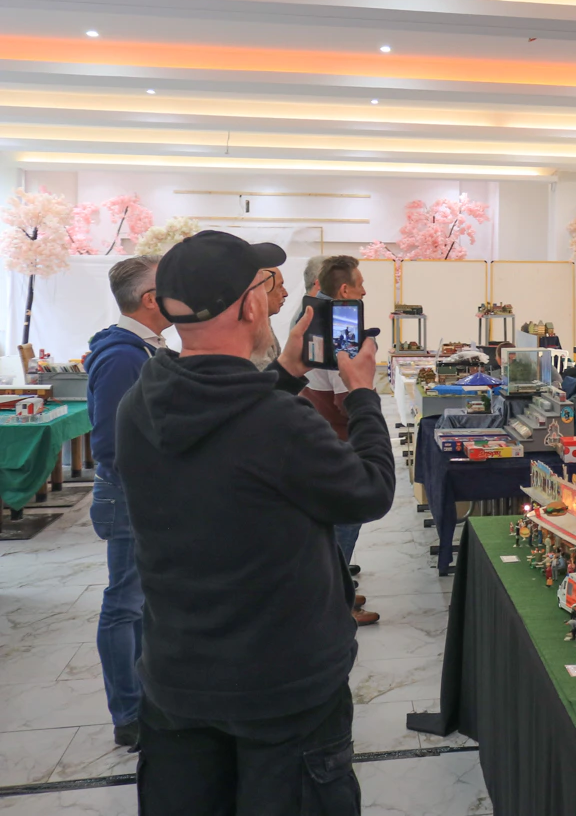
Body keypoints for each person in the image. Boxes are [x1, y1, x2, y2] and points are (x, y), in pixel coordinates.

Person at [116, 230, 392, 814]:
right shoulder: (278, 423)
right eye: (266, 287)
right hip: (281, 687)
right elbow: (369, 491)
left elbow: (231, 429)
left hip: (178, 675)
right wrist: (363, 395)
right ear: (249, 307)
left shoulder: (141, 400)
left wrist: (287, 372)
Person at [84, 254, 168, 750]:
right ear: (151, 300)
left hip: (144, 492)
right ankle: (128, 713)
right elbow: (111, 443)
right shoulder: (122, 356)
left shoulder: (145, 348)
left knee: (140, 604)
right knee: (124, 604)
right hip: (128, 494)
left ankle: (143, 698)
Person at [301, 255, 380, 626]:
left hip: (321, 432)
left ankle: (338, 589)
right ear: (345, 289)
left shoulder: (317, 317)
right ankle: (337, 603)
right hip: (338, 438)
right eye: (360, 285)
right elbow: (344, 398)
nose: (365, 292)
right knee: (346, 519)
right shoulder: (340, 330)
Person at [250, 266, 288, 371]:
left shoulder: (264, 321)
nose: (285, 293)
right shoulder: (251, 329)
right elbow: (264, 375)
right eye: (279, 287)